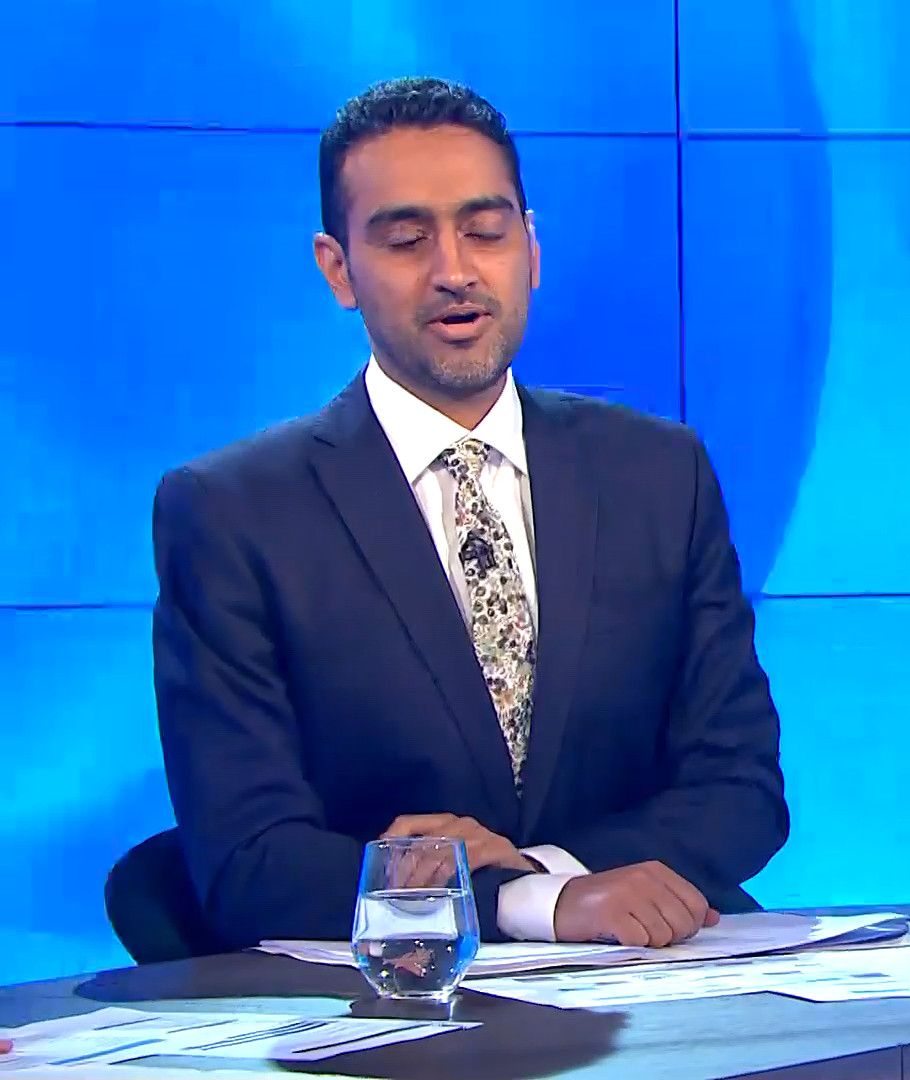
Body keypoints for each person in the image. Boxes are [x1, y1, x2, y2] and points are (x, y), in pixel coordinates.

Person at [152, 77, 788, 949]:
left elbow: (742, 791)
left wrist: (551, 875)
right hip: (392, 1002)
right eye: (406, 240)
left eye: (486, 232)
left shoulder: (658, 474)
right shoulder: (234, 513)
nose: (454, 271)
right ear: (338, 269)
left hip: (645, 985)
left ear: (531, 248)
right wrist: (519, 904)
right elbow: (249, 864)